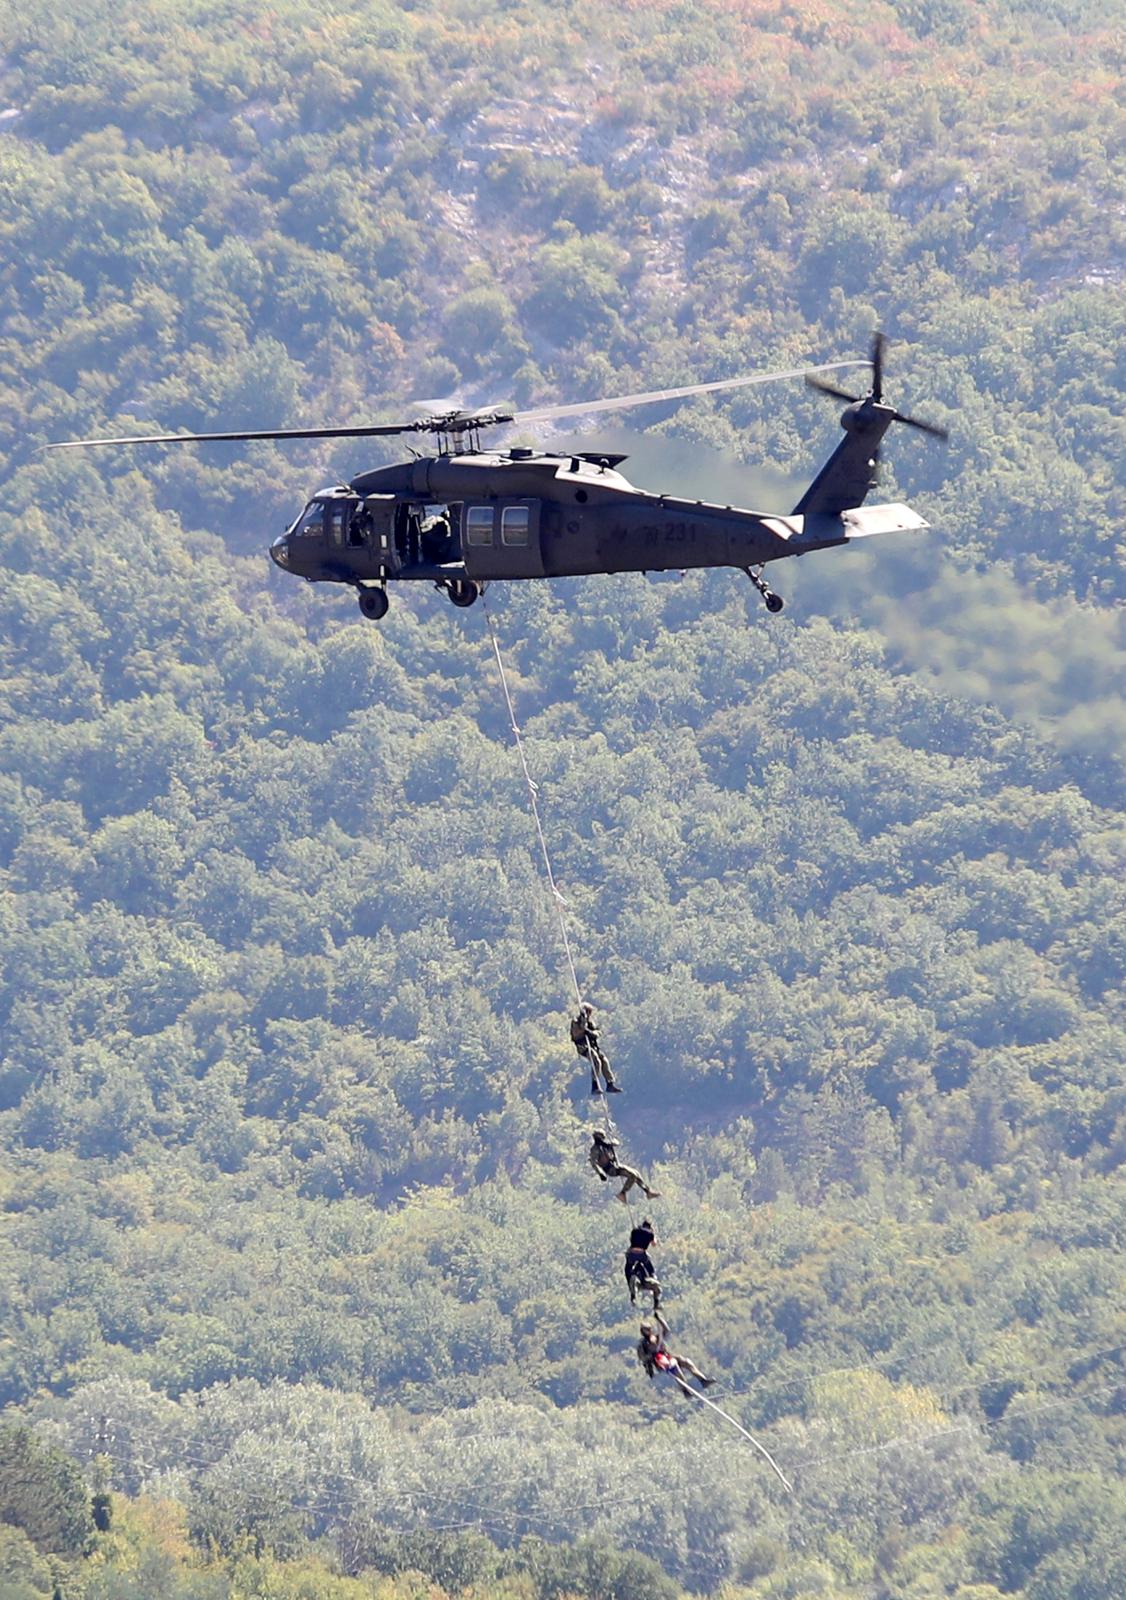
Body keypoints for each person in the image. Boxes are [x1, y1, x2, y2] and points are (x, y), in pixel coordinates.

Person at [637, 1311, 715, 1396]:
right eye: (647, 1330)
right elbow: (642, 1358)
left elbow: (667, 1330)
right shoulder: (643, 1344)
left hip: (667, 1356)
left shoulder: (656, 1337)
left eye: (649, 1329)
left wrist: (659, 1319)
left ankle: (703, 1380)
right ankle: (685, 1390)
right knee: (675, 1367)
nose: (649, 1331)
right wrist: (651, 1355)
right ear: (643, 1331)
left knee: (686, 1361)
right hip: (659, 1362)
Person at [589, 1130, 660, 1203]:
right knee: (633, 1175)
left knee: (636, 1173)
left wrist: (612, 1142)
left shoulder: (606, 1145)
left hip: (616, 1165)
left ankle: (647, 1191)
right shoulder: (595, 1149)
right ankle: (622, 1193)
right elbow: (593, 1163)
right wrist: (600, 1173)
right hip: (610, 1169)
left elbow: (617, 1142)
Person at [570, 1002, 620, 1095]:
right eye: (588, 1012)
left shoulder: (590, 1023)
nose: (589, 1014)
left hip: (593, 1046)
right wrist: (583, 1022)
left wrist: (591, 1032)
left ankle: (610, 1083)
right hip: (583, 1047)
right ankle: (595, 1085)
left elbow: (598, 1032)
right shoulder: (576, 1022)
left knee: (604, 1060)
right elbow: (578, 1033)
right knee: (596, 1060)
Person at [624, 1216, 661, 1309]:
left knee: (628, 1269)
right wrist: (653, 1234)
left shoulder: (635, 1231)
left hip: (631, 1253)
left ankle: (632, 1287)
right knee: (649, 1267)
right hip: (642, 1254)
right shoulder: (649, 1233)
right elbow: (654, 1244)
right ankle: (652, 1277)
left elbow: (632, 1241)